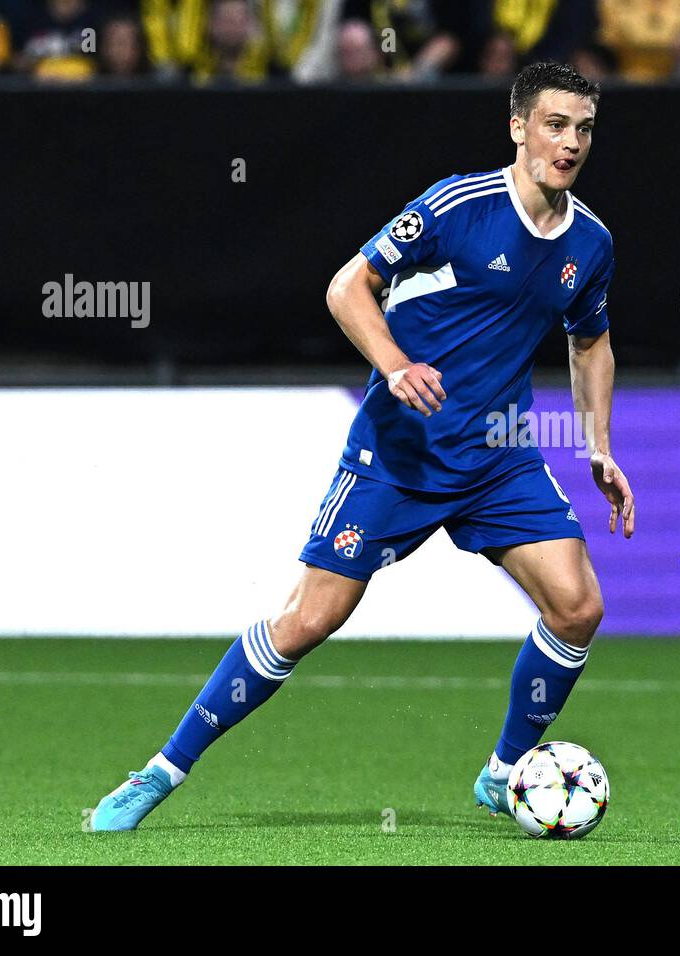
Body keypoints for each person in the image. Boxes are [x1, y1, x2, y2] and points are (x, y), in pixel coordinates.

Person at [90, 60, 634, 831]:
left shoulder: (592, 242)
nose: (570, 142)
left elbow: (591, 343)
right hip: (399, 452)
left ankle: (505, 770)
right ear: (518, 127)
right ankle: (161, 770)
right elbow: (348, 286)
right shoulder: (457, 205)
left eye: (583, 128)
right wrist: (395, 364)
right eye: (554, 124)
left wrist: (598, 447)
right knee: (307, 621)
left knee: (578, 607)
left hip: (498, 455)